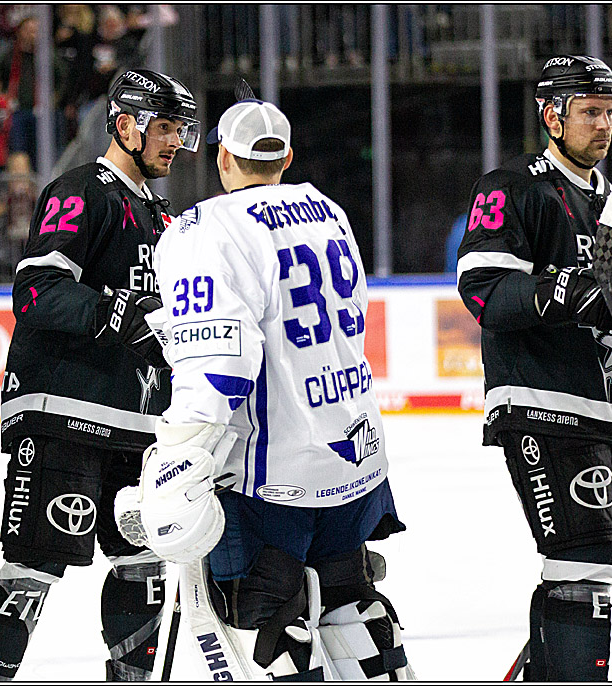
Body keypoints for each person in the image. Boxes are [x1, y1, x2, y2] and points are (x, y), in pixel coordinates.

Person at [115, 98, 414, 680]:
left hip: (271, 477)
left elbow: (219, 364)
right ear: (287, 156)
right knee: (350, 606)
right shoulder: (327, 211)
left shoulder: (208, 227)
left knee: (266, 622)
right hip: (353, 455)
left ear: (223, 156)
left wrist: (180, 457)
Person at [0, 69, 200, 682]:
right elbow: (36, 291)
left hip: (139, 426)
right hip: (63, 413)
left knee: (145, 562)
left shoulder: (161, 213)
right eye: (165, 127)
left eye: (181, 129)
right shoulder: (82, 190)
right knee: (36, 564)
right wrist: (113, 310)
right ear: (124, 126)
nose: (176, 140)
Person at [456, 56, 612, 681]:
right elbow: (485, 293)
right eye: (590, 111)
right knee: (584, 569)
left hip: (604, 414)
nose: (605, 123)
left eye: (610, 110)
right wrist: (561, 288)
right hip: (543, 404)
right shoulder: (513, 187)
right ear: (552, 116)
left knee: (582, 567)